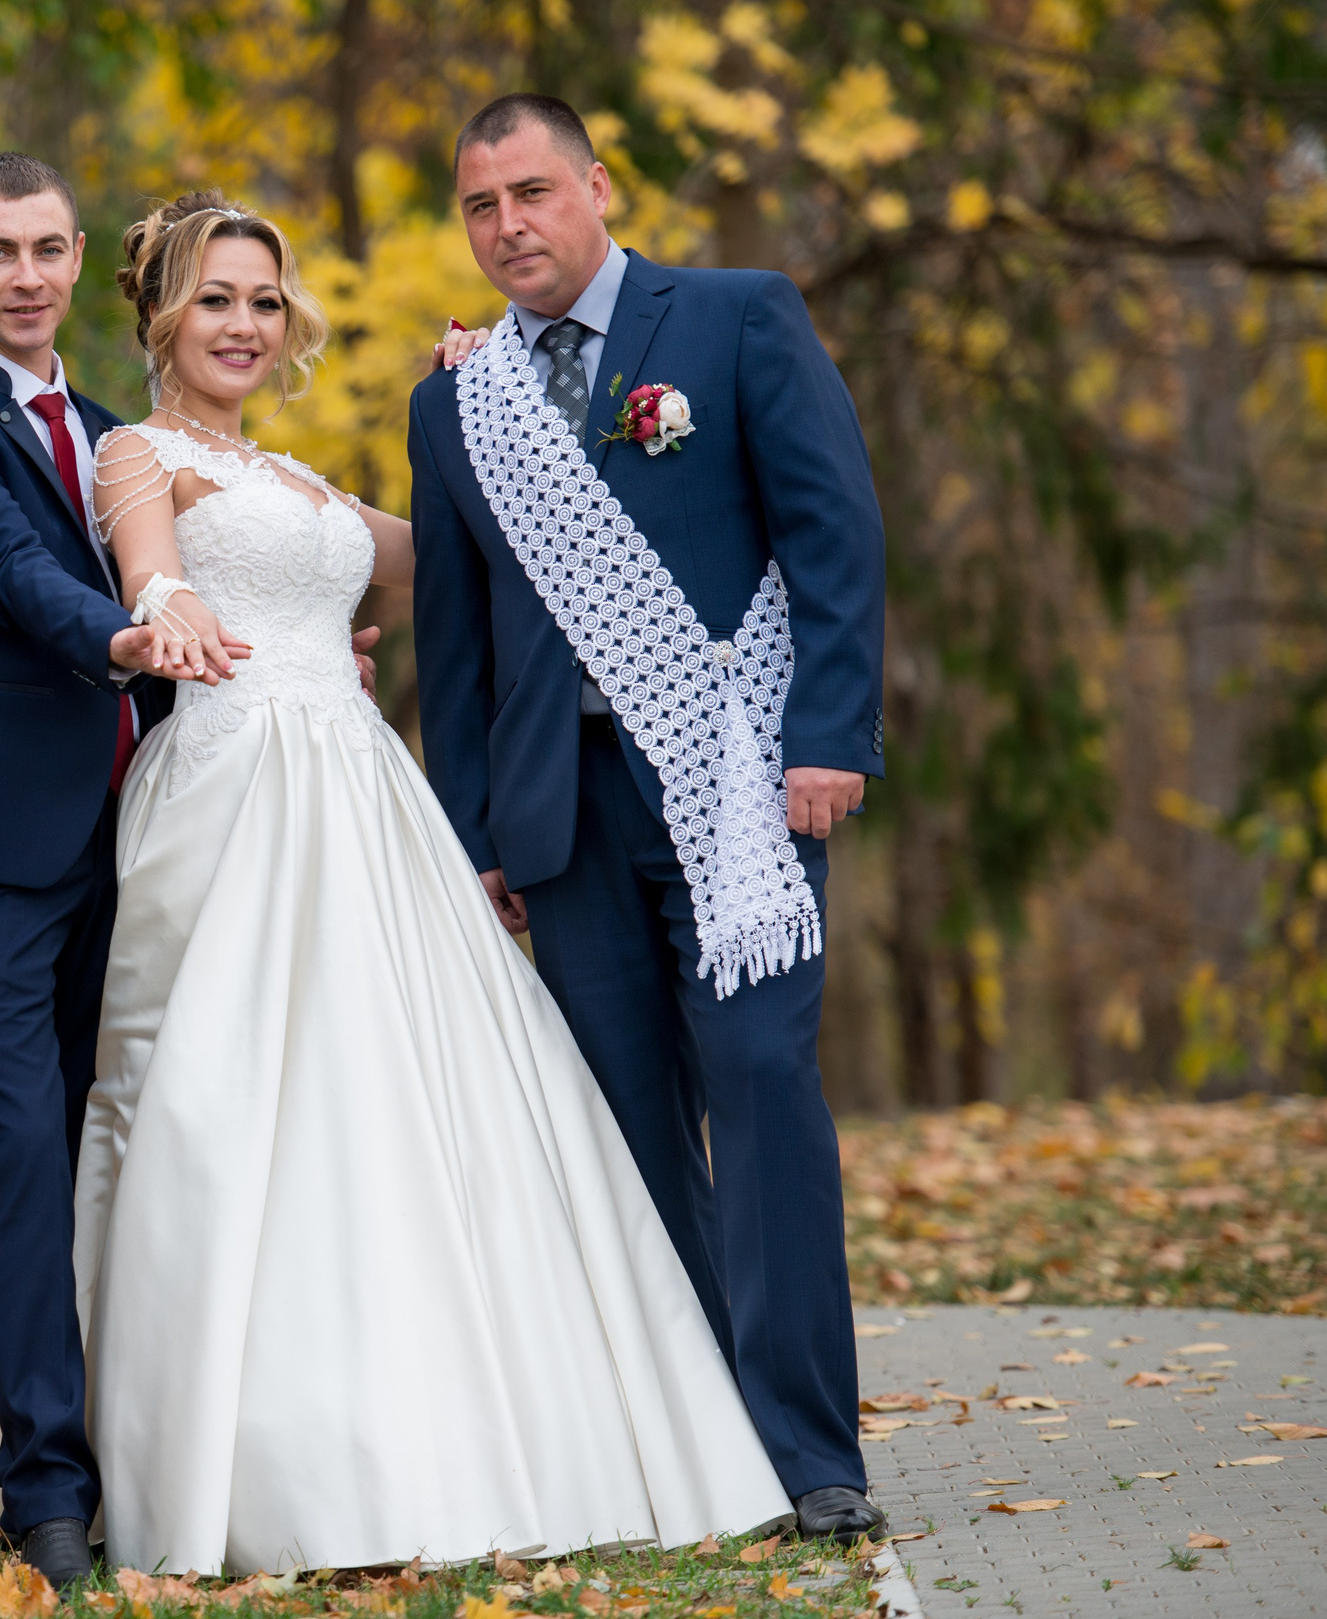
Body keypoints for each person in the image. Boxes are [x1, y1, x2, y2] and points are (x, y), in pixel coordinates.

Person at [0, 190, 792, 1578]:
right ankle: (209, 1442)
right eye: (214, 299)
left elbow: (444, 556)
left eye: (261, 300)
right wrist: (170, 618)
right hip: (237, 788)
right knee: (226, 1098)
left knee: (406, 1093)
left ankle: (459, 1419)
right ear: (161, 316)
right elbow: (151, 582)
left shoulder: (298, 480)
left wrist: (490, 414)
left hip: (362, 792)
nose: (241, 324)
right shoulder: (135, 454)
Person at [412, 95, 888, 1541]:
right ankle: (704, 1451)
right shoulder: (452, 400)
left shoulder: (735, 320)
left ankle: (813, 1457)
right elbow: (460, 638)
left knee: (759, 1091)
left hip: (741, 785)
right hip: (565, 814)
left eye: (534, 193)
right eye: (483, 206)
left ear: (598, 188)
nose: (510, 228)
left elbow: (834, 533)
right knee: (629, 1133)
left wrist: (829, 738)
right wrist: (476, 825)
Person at [0, 152, 254, 1590]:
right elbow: (6, 577)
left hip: (134, 839)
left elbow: (199, 566)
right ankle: (45, 1490)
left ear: (80, 257)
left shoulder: (111, 434)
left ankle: (163, 1447)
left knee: (141, 1144)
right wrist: (124, 635)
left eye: (46, 248)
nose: (25, 275)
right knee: (26, 1154)